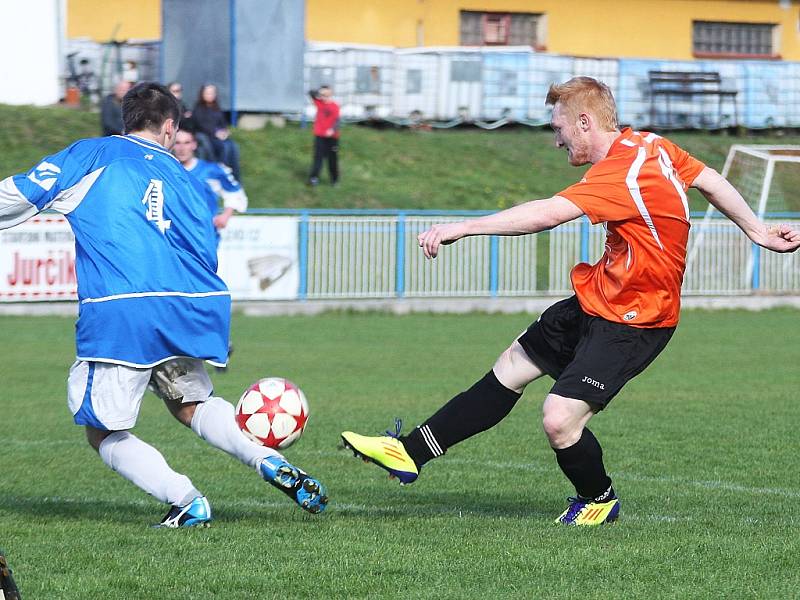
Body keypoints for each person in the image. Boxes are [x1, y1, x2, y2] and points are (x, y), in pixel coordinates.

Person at [341, 77, 800, 526]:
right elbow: (710, 179)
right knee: (512, 366)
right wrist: (757, 231)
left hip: (636, 322)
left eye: (558, 130)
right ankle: (410, 452)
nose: (556, 141)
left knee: (560, 419)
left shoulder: (618, 173)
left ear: (584, 122)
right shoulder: (649, 145)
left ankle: (597, 499)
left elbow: (545, 214)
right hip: (597, 297)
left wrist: (464, 227)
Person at [0, 82, 327, 527]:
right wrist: (209, 323)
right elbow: (206, 253)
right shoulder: (187, 179)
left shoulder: (92, 155)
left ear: (126, 119)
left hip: (125, 312)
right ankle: (265, 459)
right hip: (191, 307)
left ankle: (186, 499)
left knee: (103, 432)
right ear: (170, 127)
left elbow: (20, 194)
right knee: (191, 403)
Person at [172, 127, 247, 238]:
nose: (182, 148)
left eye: (187, 143)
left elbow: (235, 192)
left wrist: (225, 215)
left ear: (194, 145)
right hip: (175, 235)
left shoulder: (211, 170)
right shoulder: (165, 170)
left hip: (204, 235)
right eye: (177, 143)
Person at [192, 83, 242, 181]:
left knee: (234, 147)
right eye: (207, 93)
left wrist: (225, 132)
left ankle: (235, 177)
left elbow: (222, 123)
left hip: (220, 136)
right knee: (225, 147)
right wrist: (216, 133)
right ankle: (222, 173)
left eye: (212, 93)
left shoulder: (216, 108)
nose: (210, 95)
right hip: (208, 136)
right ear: (202, 94)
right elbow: (201, 125)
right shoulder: (198, 109)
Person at [308, 86, 340, 186]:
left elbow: (337, 121)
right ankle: (314, 178)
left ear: (331, 95)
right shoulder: (319, 103)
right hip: (320, 136)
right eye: (322, 95)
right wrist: (319, 92)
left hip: (332, 138)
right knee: (318, 158)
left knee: (332, 160)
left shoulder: (335, 106)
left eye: (326, 95)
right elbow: (311, 92)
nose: (324, 97)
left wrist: (332, 129)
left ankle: (334, 180)